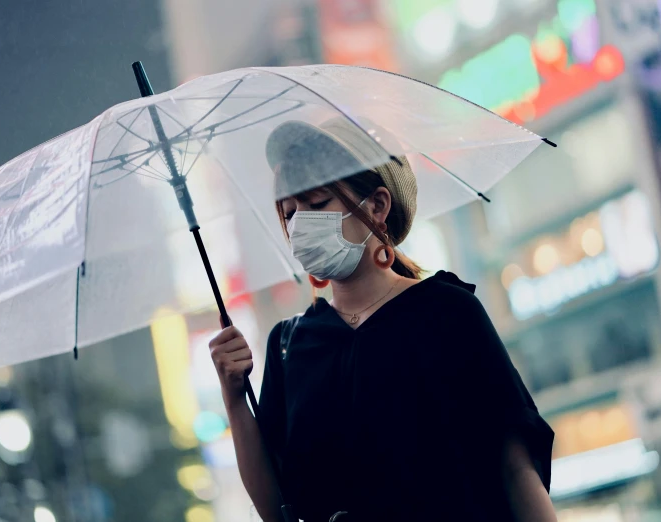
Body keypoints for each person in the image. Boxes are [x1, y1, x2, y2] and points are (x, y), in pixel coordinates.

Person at [209, 118, 557, 522]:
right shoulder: (289, 346)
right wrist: (233, 397)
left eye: (318, 204)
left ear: (376, 205)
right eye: (289, 213)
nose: (301, 224)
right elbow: (275, 508)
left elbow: (514, 468)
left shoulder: (448, 314)